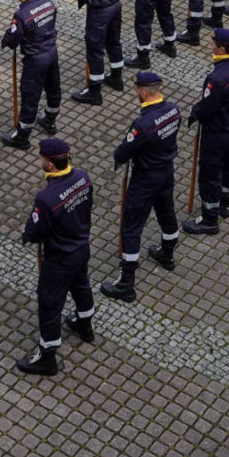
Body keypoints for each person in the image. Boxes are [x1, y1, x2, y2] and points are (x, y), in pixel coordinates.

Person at [15, 136, 96, 374]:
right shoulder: (83, 177)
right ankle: (85, 324)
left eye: (41, 157)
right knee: (81, 285)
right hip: (81, 247)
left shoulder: (46, 198)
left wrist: (28, 235)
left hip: (59, 257)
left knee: (49, 302)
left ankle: (47, 356)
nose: (40, 159)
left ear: (50, 164)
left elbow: (36, 230)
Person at [101, 70, 182, 299]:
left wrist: (119, 158)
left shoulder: (142, 124)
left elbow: (123, 151)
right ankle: (167, 252)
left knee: (131, 225)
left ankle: (126, 282)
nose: (136, 92)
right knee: (166, 211)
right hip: (166, 171)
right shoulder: (174, 110)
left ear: (144, 93)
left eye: (137, 89)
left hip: (145, 178)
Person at [182, 27, 229, 234]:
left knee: (210, 173)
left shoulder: (217, 78)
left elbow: (208, 107)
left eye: (213, 44)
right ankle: (225, 203)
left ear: (222, 49)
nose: (209, 45)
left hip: (217, 131)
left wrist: (195, 113)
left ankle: (210, 219)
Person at [0, 0, 61, 147]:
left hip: (35, 59)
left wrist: (6, 40)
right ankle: (50, 120)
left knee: (30, 95)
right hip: (51, 52)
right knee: (53, 88)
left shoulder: (22, 14)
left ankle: (22, 136)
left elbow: (13, 37)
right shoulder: (49, 3)